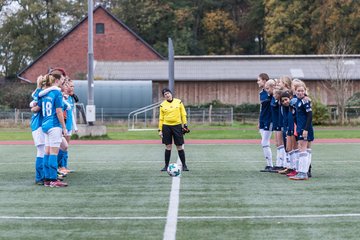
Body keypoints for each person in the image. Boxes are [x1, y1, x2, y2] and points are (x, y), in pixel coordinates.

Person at [32, 71, 68, 187]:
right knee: (53, 153)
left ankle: (47, 179)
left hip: (45, 124)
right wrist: (64, 127)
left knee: (46, 152)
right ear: (55, 81)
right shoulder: (56, 93)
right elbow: (58, 111)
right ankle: (53, 179)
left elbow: (36, 106)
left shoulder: (43, 94)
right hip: (54, 125)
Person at [158, 87, 190, 172]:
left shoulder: (178, 102)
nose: (167, 95)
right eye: (165, 94)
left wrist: (185, 125)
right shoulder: (162, 105)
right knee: (168, 146)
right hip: (166, 126)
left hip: (177, 126)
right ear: (164, 96)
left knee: (179, 146)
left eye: (168, 93)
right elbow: (161, 118)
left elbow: (183, 114)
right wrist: (160, 130)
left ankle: (184, 165)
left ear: (171, 93)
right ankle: (166, 166)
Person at [289, 82, 314, 180]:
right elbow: (295, 116)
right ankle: (302, 172)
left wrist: (306, 129)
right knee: (301, 149)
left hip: (305, 129)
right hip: (300, 128)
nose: (300, 92)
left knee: (303, 149)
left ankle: (303, 173)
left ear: (305, 91)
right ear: (295, 91)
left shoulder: (305, 101)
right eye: (298, 91)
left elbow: (309, 115)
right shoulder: (296, 102)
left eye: (302, 91)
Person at [29, 75, 46, 185]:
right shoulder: (40, 93)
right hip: (38, 125)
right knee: (41, 151)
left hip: (39, 125)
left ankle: (43, 176)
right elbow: (35, 107)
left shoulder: (38, 93)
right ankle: (39, 177)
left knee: (43, 151)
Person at [257, 73, 274, 172]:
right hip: (263, 119)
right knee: (264, 143)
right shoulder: (261, 93)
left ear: (264, 80)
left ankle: (271, 165)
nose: (257, 82)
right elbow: (261, 108)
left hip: (269, 119)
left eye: (259, 80)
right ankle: (268, 165)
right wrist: (259, 120)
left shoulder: (271, 92)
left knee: (264, 142)